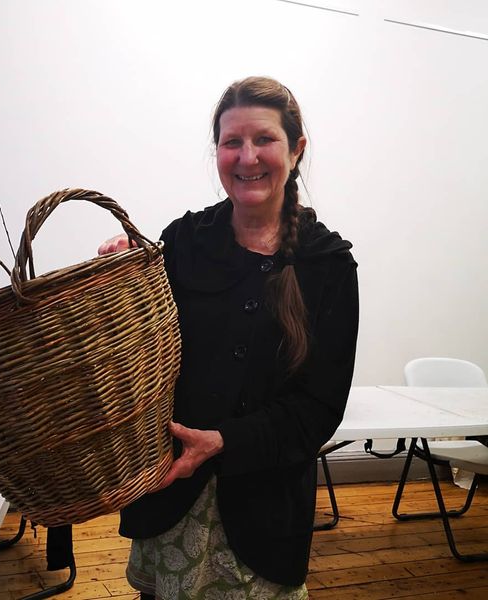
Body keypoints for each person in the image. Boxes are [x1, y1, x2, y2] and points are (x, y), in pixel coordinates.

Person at [98, 76, 359, 600]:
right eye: (231, 142)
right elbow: (142, 350)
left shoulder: (327, 266)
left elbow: (319, 407)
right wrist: (123, 273)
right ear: (216, 150)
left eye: (263, 139)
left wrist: (223, 442)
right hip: (169, 493)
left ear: (296, 148)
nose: (246, 157)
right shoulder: (183, 242)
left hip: (263, 510)